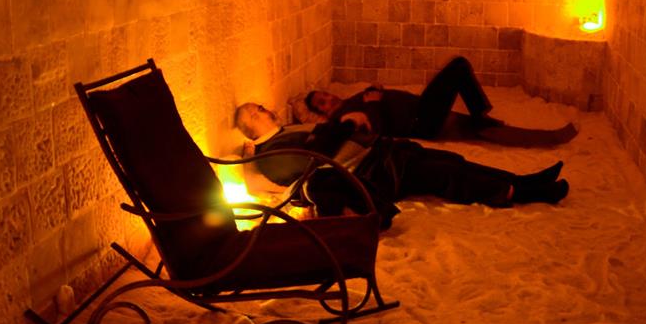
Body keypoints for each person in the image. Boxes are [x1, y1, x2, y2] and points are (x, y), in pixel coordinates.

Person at [234, 102, 569, 229]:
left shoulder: (286, 132)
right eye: (255, 110)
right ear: (251, 124)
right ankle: (521, 192)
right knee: (447, 175)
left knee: (453, 161)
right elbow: (317, 155)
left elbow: (318, 139)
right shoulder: (272, 154)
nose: (264, 108)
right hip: (373, 171)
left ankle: (525, 182)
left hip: (382, 153)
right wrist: (346, 123)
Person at [305, 56, 577, 145]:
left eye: (324, 95)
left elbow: (371, 102)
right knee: (458, 67)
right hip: (419, 121)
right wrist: (375, 102)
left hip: (421, 110)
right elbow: (373, 131)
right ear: (323, 114)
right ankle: (480, 116)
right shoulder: (342, 118)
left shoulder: (350, 101)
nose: (328, 99)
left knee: (481, 128)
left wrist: (373, 91)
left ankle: (483, 120)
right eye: (322, 103)